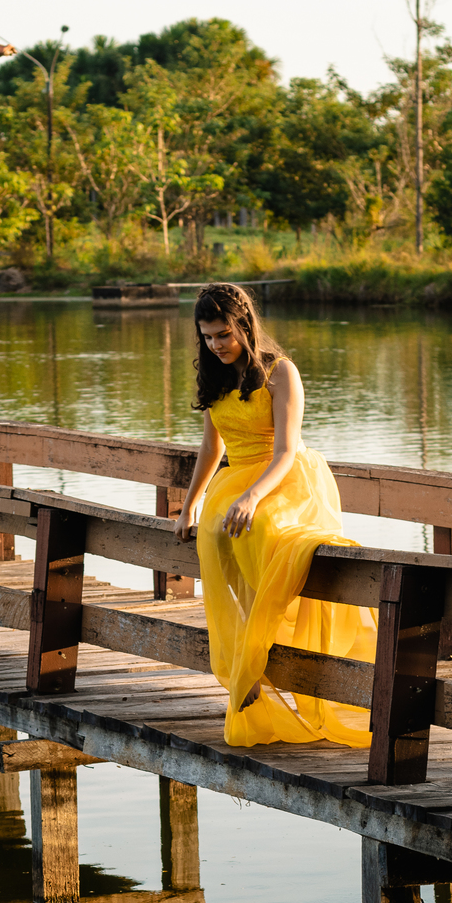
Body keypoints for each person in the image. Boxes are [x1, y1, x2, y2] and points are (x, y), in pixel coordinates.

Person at [172, 282, 377, 750]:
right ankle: (248, 658)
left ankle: (261, 653)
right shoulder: (215, 376)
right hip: (236, 477)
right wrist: (189, 505)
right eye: (207, 337)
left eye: (223, 334)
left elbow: (286, 450)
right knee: (213, 537)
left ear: (244, 325)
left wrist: (253, 497)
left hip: (282, 477)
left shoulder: (279, 372)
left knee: (259, 528)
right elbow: (211, 448)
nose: (216, 345)